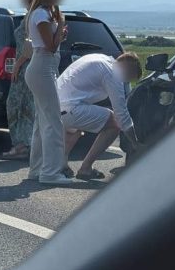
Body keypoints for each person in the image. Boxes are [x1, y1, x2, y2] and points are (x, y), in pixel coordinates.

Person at [57, 52, 142, 180]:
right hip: (69, 108)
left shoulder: (99, 58)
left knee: (77, 126)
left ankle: (60, 165)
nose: (125, 82)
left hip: (56, 106)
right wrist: (135, 143)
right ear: (128, 70)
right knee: (114, 123)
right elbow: (121, 114)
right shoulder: (114, 73)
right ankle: (86, 168)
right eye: (128, 79)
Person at [24, 0, 74, 185]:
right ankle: (51, 173)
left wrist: (59, 30)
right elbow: (50, 46)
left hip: (44, 68)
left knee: (41, 121)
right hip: (42, 67)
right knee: (53, 121)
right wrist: (60, 29)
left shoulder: (42, 13)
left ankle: (37, 169)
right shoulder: (41, 15)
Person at [1, 0, 39, 160]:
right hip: (30, 67)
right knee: (25, 106)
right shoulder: (33, 15)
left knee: (16, 105)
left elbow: (29, 45)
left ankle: (21, 145)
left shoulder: (32, 16)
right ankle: (26, 144)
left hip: (25, 68)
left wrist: (17, 65)